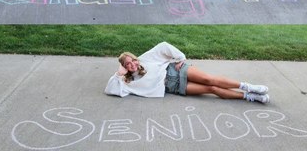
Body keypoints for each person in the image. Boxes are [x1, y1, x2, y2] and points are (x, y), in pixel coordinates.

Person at [105, 42, 270, 103]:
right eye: (128, 64)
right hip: (172, 87)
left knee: (209, 79)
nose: (132, 64)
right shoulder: (127, 82)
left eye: (132, 60)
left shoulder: (143, 59)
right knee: (210, 90)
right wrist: (118, 74)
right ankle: (250, 97)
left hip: (175, 70)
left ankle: (248, 86)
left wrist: (180, 57)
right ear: (125, 67)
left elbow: (163, 46)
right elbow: (110, 89)